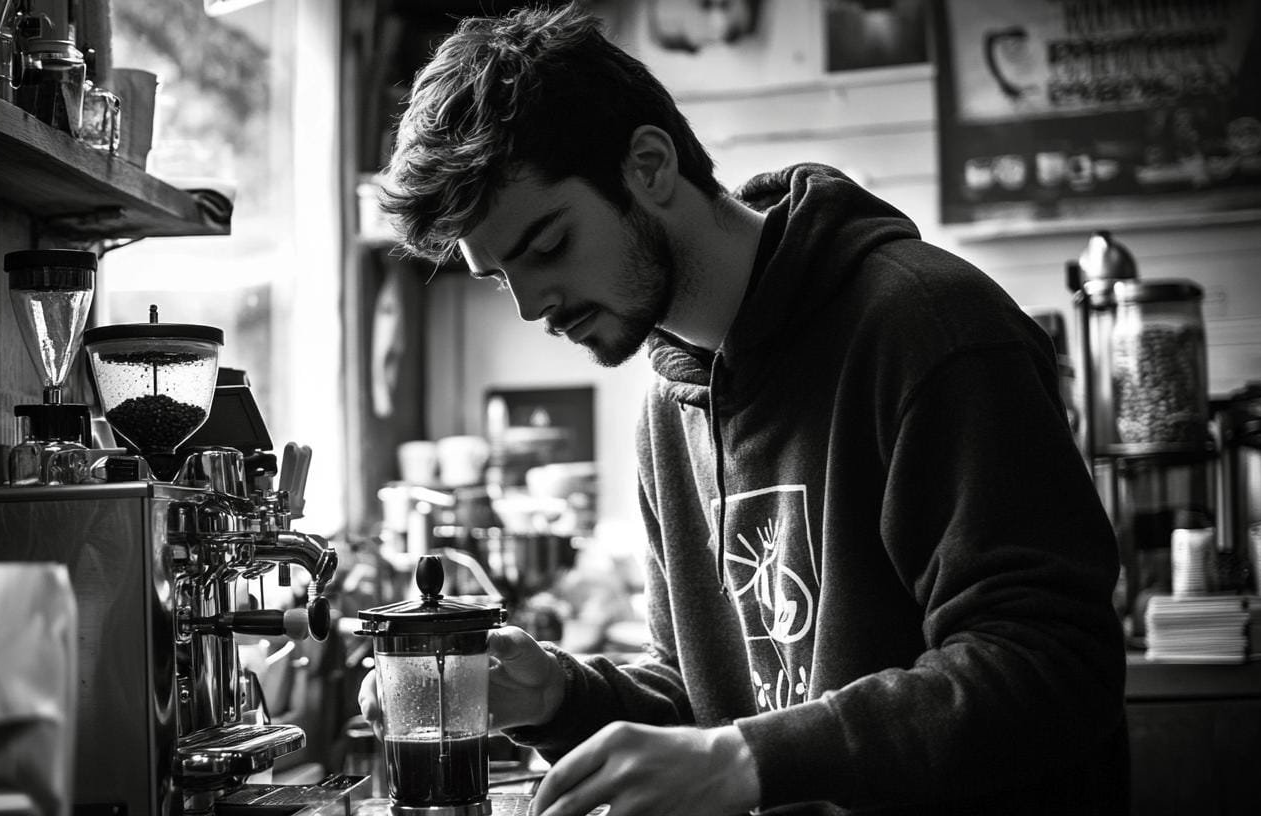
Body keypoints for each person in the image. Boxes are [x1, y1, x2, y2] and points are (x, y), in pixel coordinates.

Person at [359, 4, 1128, 815]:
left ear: (650, 166)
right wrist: (559, 696)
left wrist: (748, 760)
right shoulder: (669, 402)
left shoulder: (929, 329)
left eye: (546, 246)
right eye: (497, 276)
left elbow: (1053, 665)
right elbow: (710, 707)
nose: (530, 305)